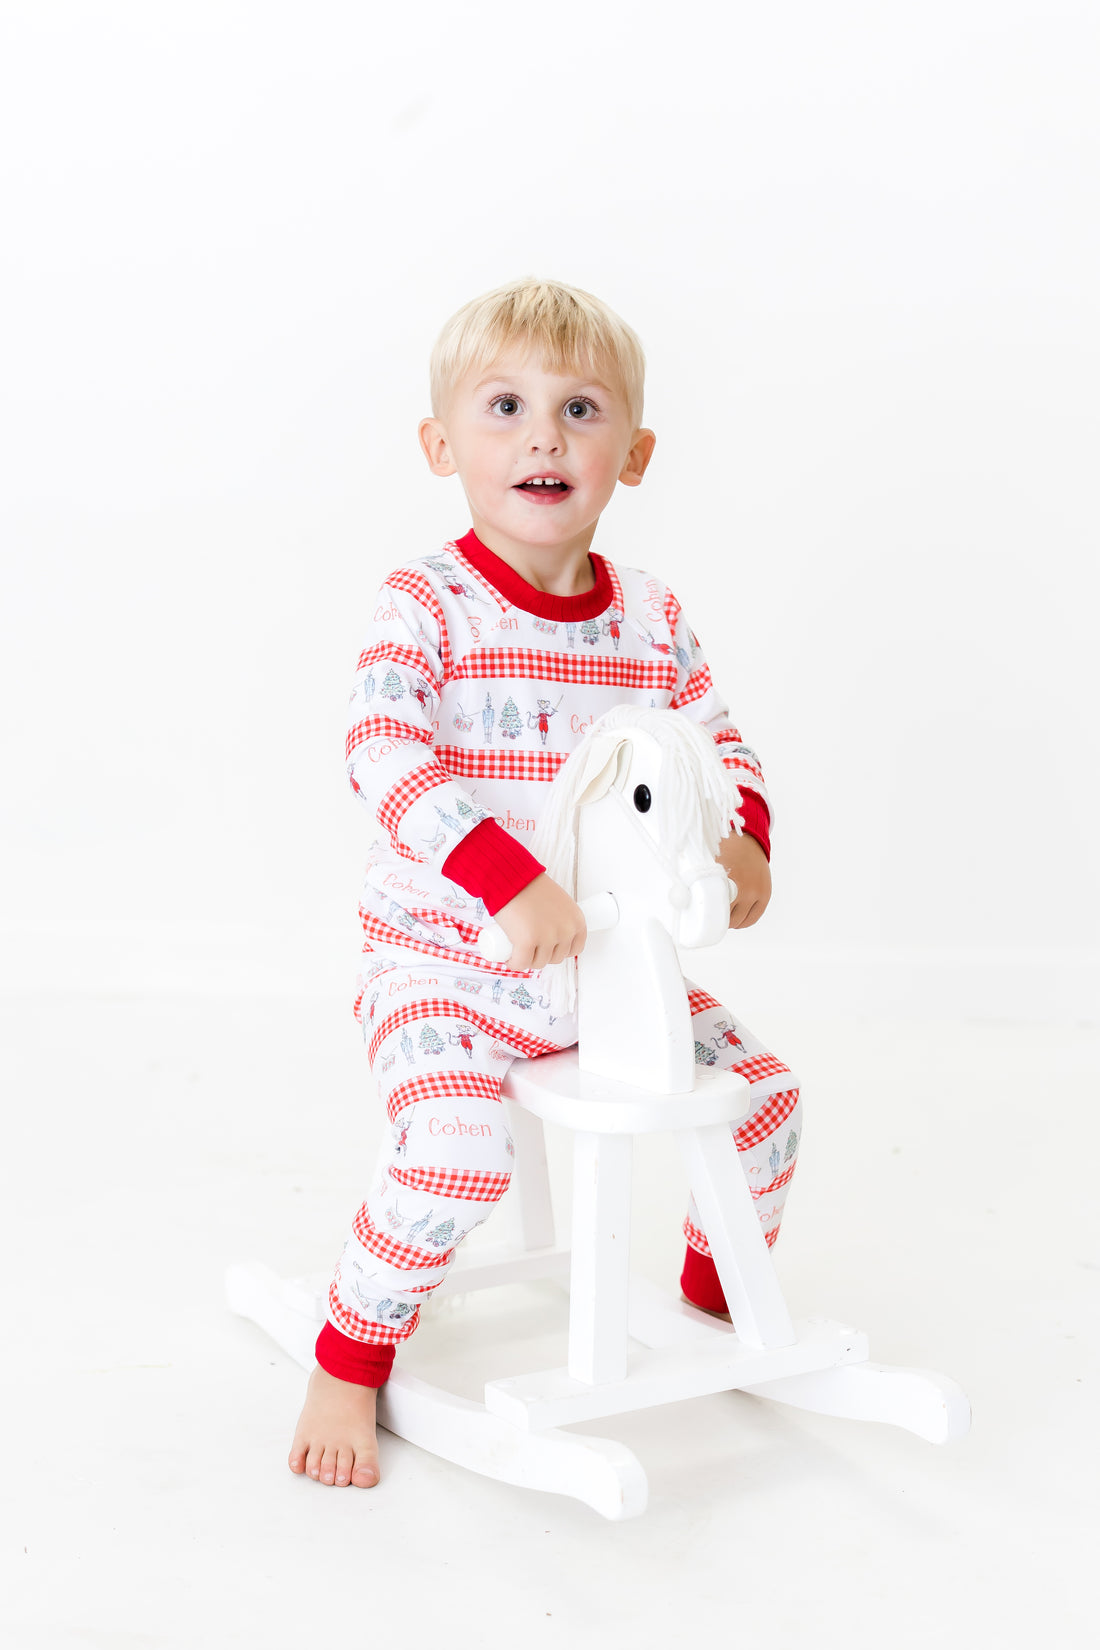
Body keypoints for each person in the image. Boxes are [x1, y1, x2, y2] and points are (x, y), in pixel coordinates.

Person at [288, 278, 801, 1489]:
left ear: (632, 452)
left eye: (580, 411)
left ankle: (710, 1303)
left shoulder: (650, 619)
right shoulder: (429, 604)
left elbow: (713, 742)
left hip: (609, 976)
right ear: (441, 444)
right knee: (458, 1155)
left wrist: (744, 844)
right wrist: (502, 879)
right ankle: (348, 1353)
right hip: (449, 965)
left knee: (767, 1105)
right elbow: (382, 750)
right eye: (505, 406)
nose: (542, 437)